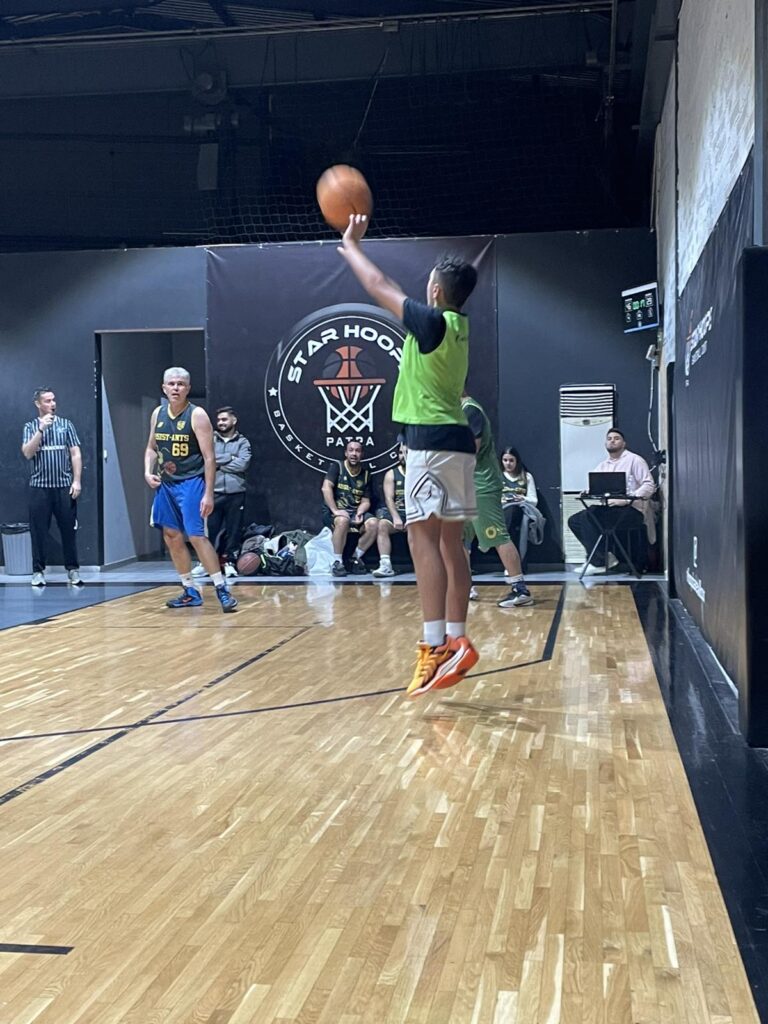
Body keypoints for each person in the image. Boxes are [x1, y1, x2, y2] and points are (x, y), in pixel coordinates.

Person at [338, 213, 479, 697]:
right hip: (457, 442)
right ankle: (458, 638)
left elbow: (380, 286)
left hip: (429, 443)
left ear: (435, 291)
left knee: (422, 543)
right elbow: (397, 291)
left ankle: (433, 644)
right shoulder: (455, 324)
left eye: (428, 285)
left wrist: (352, 247)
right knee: (452, 547)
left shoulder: (432, 323)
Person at [144, 367, 237, 611]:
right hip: (166, 483)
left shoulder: (197, 415)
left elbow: (209, 458)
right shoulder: (157, 414)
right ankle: (189, 590)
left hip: (191, 481)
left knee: (196, 535)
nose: (176, 388)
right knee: (171, 536)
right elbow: (151, 448)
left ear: (188, 388)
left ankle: (221, 588)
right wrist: (147, 471)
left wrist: (208, 493)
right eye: (171, 384)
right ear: (164, 388)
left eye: (181, 384)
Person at [462, 394, 533, 607]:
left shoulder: (471, 410)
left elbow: (469, 451)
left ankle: (520, 589)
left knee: (497, 536)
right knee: (459, 538)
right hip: (464, 484)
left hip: (482, 486)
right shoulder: (458, 411)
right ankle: (464, 585)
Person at [568, 427, 655, 574]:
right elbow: (595, 486)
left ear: (624, 443)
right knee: (575, 520)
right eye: (609, 439)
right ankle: (604, 557)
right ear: (605, 443)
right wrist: (588, 491)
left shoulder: (635, 460)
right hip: (610, 510)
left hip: (631, 511)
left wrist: (628, 500)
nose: (612, 441)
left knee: (588, 516)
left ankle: (599, 561)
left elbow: (649, 485)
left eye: (616, 438)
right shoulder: (603, 465)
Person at [21, 387, 83, 587]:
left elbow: (75, 453)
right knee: (38, 531)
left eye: (53, 400)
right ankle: (38, 571)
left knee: (68, 530)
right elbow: (27, 453)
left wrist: (76, 480)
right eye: (47, 401)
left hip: (64, 487)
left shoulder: (66, 425)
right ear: (38, 404)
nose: (52, 404)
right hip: (39, 488)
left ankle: (72, 570)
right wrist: (41, 430)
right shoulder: (30, 427)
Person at [191, 406, 251, 579]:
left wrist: (217, 463)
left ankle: (230, 562)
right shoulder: (210, 439)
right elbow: (205, 460)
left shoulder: (243, 442)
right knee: (210, 531)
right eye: (219, 420)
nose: (221, 423)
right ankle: (206, 564)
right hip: (213, 492)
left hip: (236, 493)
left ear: (234, 420)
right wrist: (230, 458)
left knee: (234, 531)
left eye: (224, 419)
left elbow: (243, 464)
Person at [321, 439, 380, 577]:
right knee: (343, 521)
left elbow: (366, 500)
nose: (354, 454)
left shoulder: (366, 474)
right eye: (351, 450)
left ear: (362, 454)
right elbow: (325, 488)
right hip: (335, 511)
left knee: (374, 523)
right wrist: (335, 510)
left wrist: (360, 512)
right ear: (346, 453)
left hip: (354, 511)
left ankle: (354, 558)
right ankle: (337, 561)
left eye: (357, 451)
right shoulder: (337, 466)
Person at [372, 440, 407, 578]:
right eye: (400, 453)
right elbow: (389, 498)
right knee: (382, 525)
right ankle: (385, 565)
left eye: (407, 453)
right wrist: (396, 517)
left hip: (414, 514)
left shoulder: (419, 473)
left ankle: (424, 565)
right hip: (397, 513)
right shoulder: (392, 474)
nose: (403, 456)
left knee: (419, 528)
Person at [501, 446, 540, 564]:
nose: (508, 464)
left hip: (522, 509)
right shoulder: (497, 477)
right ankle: (511, 562)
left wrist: (523, 498)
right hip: (502, 509)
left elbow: (534, 500)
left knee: (515, 511)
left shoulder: (526, 477)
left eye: (511, 460)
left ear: (517, 461)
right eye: (505, 460)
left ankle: (516, 561)